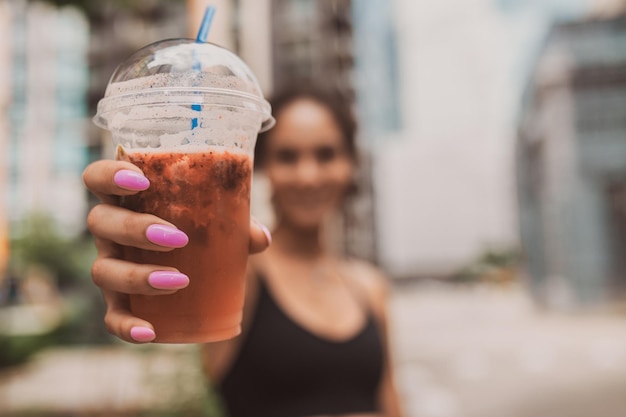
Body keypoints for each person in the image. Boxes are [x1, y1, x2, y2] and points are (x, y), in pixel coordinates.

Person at [83, 84, 404, 417]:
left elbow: (392, 403)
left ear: (351, 164)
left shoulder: (369, 287)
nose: (308, 176)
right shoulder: (238, 271)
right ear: (263, 167)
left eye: (326, 154)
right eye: (287, 156)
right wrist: (137, 255)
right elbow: (183, 370)